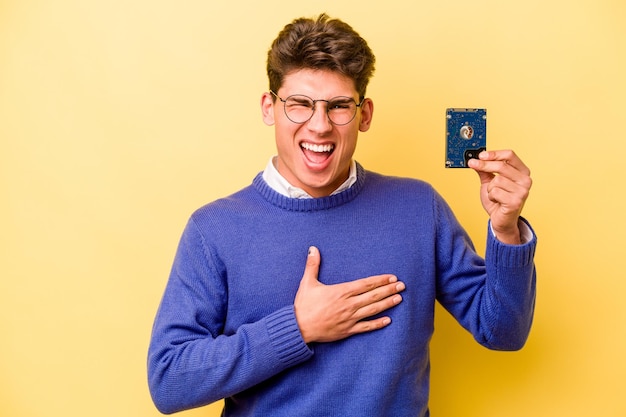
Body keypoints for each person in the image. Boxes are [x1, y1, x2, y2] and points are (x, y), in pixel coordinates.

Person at [147, 13, 536, 417]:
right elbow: (169, 381)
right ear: (269, 107)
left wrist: (506, 231)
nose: (319, 126)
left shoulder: (420, 207)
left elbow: (503, 331)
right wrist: (298, 327)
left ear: (364, 114)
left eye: (338, 107)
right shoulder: (214, 229)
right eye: (299, 104)